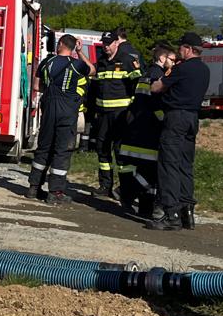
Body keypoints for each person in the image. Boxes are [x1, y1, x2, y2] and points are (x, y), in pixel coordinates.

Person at [147, 31, 209, 230]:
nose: (179, 50)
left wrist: (164, 74)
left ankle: (170, 213)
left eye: (181, 47)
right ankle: (186, 212)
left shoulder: (182, 68)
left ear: (189, 49)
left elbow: (157, 88)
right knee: (185, 165)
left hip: (176, 117)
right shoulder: (205, 70)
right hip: (192, 118)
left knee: (169, 164)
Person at [26, 34, 91, 203]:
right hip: (67, 110)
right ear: (71, 47)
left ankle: (33, 188)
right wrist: (80, 51)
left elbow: (35, 86)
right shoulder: (76, 64)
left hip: (49, 108)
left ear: (61, 44)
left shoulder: (46, 62)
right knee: (61, 151)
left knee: (44, 147)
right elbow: (92, 70)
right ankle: (54, 193)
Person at [116, 45, 174, 220]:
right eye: (172, 59)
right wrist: (165, 120)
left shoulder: (146, 73)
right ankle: (126, 192)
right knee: (152, 171)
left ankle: (144, 207)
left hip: (137, 127)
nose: (173, 63)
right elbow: (155, 104)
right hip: (150, 130)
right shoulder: (157, 77)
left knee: (145, 168)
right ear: (163, 59)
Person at [88, 29, 143, 199]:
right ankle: (105, 185)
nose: (105, 47)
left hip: (121, 115)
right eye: (104, 43)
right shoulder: (102, 62)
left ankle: (125, 189)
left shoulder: (127, 61)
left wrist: (134, 112)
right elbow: (94, 89)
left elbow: (139, 85)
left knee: (120, 153)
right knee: (102, 150)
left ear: (116, 43)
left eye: (109, 43)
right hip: (103, 115)